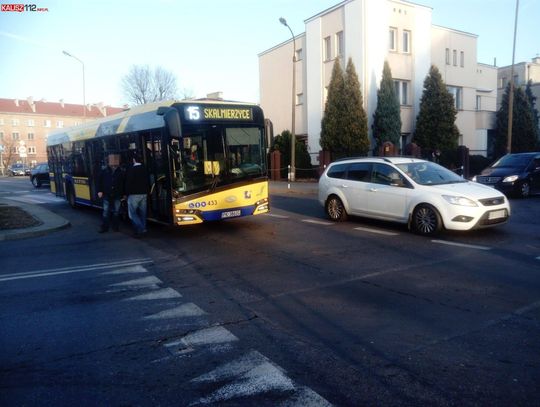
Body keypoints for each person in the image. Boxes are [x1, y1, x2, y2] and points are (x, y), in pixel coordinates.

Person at [97, 154, 125, 233]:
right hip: (107, 194)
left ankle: (115, 227)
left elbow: (123, 183)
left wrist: (124, 194)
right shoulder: (104, 171)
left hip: (117, 194)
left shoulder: (121, 171)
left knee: (116, 211)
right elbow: (99, 182)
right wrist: (99, 191)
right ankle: (105, 227)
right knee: (106, 211)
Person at [124, 153, 149, 237]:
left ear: (134, 160)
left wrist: (126, 194)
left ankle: (141, 228)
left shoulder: (132, 170)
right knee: (143, 213)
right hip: (144, 194)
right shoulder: (144, 168)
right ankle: (142, 228)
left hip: (134, 195)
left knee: (132, 213)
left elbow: (128, 183)